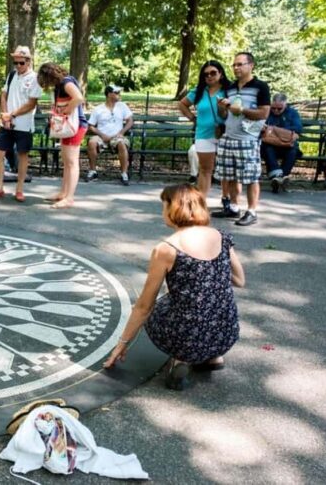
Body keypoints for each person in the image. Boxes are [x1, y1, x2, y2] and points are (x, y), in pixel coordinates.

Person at [103, 184, 245, 391]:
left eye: (163, 206)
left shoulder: (167, 249)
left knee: (161, 305)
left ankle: (181, 360)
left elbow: (144, 306)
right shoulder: (221, 236)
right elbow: (240, 280)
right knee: (206, 303)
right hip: (226, 332)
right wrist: (211, 273)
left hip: (186, 336)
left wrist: (122, 344)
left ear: (172, 209)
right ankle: (213, 357)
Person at [213, 52, 271, 226]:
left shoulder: (260, 87)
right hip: (228, 137)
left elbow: (264, 113)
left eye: (240, 64)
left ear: (251, 65)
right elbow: (225, 114)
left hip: (248, 139)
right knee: (230, 175)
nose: (236, 68)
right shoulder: (230, 88)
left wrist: (242, 110)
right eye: (234, 65)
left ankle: (252, 211)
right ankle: (233, 207)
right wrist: (223, 108)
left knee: (251, 177)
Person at [0, 45, 43, 202]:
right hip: (6, 122)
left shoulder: (35, 79)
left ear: (28, 61)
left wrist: (12, 115)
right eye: (15, 63)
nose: (18, 66)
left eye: (21, 63)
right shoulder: (11, 75)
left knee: (22, 154)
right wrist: (4, 115)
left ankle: (20, 189)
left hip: (23, 123)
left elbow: (31, 103)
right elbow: (3, 96)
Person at [36, 62, 87, 209]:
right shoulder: (61, 84)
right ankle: (63, 193)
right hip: (68, 127)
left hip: (75, 127)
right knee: (67, 161)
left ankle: (69, 198)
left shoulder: (66, 82)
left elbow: (78, 98)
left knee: (71, 163)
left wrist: (67, 110)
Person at [178, 60, 231, 197]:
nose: (209, 76)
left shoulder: (229, 90)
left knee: (226, 170)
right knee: (205, 170)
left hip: (226, 134)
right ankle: (201, 201)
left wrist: (223, 110)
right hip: (204, 134)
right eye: (206, 74)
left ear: (221, 74)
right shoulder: (199, 91)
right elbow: (182, 104)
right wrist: (193, 118)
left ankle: (227, 200)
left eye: (213, 73)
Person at [85, 85, 134, 185]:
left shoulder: (122, 106)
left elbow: (130, 121)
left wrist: (121, 132)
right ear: (109, 94)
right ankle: (93, 171)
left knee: (121, 143)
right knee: (91, 142)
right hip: (102, 136)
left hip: (117, 136)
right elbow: (91, 126)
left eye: (119, 93)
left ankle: (124, 173)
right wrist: (102, 135)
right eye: (116, 93)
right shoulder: (98, 109)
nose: (119, 95)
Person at [261, 93, 302, 193]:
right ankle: (279, 177)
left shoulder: (292, 113)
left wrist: (275, 130)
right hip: (270, 145)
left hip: (286, 145)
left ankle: (279, 178)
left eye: (279, 108)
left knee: (293, 152)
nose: (276, 110)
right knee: (267, 149)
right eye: (274, 108)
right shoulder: (267, 112)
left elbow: (298, 128)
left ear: (285, 104)